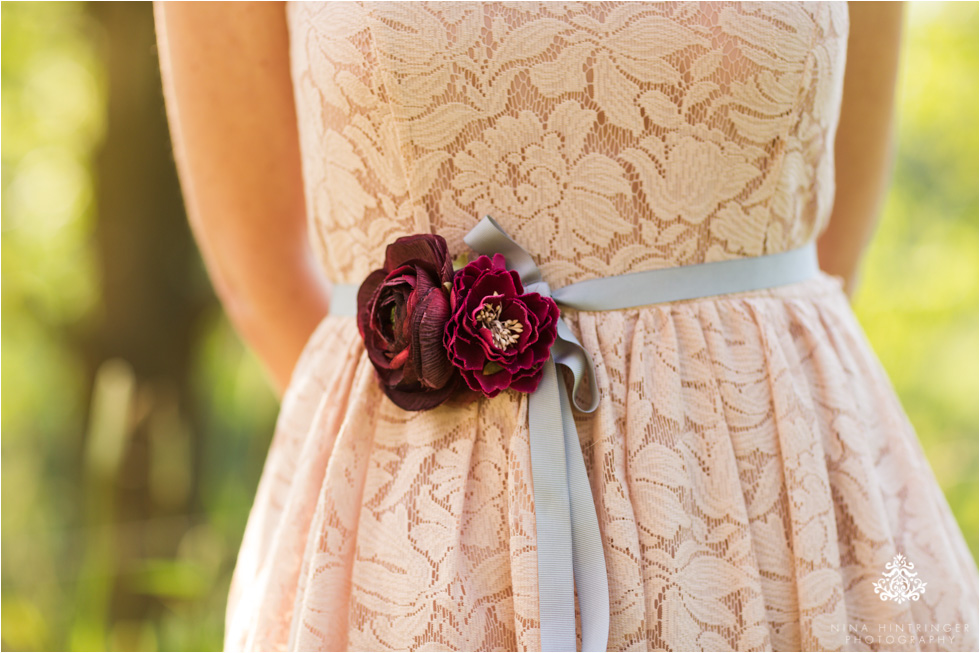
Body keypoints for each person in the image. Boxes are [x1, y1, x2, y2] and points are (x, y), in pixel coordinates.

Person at [155, 2, 978, 651]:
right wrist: (439, 487)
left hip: (790, 526)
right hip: (422, 555)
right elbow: (257, 265)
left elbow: (829, 248)